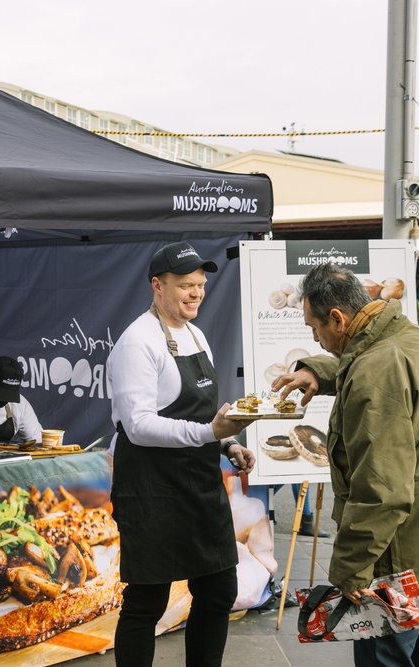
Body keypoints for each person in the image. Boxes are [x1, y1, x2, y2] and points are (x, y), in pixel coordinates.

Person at [272, 263, 419, 667]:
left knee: (385, 657)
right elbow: (367, 358)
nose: (315, 337)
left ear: (338, 317)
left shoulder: (376, 371)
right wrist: (315, 369)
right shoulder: (415, 338)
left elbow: (382, 491)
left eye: (314, 328)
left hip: (400, 554)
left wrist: (352, 571)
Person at [106, 241, 255, 667]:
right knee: (146, 601)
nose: (196, 294)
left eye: (201, 285)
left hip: (199, 485)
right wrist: (210, 431)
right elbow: (138, 425)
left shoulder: (196, 334)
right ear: (157, 285)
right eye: (185, 285)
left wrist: (227, 443)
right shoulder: (138, 342)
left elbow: (207, 412)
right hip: (150, 489)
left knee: (219, 588)